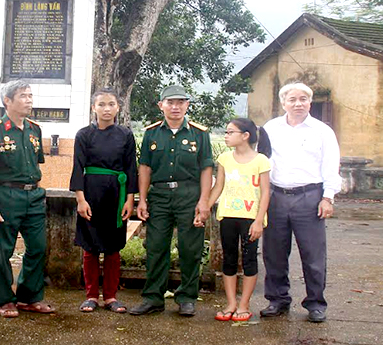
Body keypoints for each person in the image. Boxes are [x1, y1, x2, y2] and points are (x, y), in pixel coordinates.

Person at [129, 85, 214, 317]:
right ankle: (153, 298)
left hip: (189, 195)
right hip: (159, 196)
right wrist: (142, 199)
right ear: (161, 105)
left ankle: (187, 297)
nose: (175, 107)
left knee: (190, 248)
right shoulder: (152, 133)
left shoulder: (199, 133)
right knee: (156, 248)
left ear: (187, 105)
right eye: (170, 102)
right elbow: (144, 167)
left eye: (180, 102)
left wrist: (204, 201)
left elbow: (207, 168)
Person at [260, 82, 341, 323]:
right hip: (276, 196)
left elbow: (331, 164)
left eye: (303, 99)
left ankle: (315, 303)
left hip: (310, 197)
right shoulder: (271, 128)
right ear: (283, 102)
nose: (298, 103)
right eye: (292, 99)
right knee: (273, 253)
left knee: (313, 254)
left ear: (309, 102)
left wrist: (328, 197)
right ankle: (277, 299)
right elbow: (261, 161)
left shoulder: (322, 131)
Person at [0, 80, 54, 318]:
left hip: (33, 195)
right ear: (7, 101)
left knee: (38, 248)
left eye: (30, 96)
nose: (29, 100)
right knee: (3, 251)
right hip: (5, 196)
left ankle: (29, 297)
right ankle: (4, 300)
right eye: (23, 96)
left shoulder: (34, 129)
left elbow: (35, 163)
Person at [69, 88, 139, 313]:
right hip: (91, 193)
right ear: (94, 108)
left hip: (116, 195)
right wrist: (81, 200)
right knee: (90, 247)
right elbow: (78, 168)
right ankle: (91, 295)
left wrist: (130, 200)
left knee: (113, 248)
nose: (106, 109)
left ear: (118, 107)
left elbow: (131, 168)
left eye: (111, 104)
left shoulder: (125, 135)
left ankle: (110, 296)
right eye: (101, 104)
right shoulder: (84, 135)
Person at [207, 118, 271, 322]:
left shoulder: (261, 160)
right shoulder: (225, 158)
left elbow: (266, 192)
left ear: (245, 136)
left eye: (230, 132)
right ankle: (231, 303)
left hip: (250, 218)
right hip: (228, 216)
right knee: (229, 258)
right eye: (225, 132)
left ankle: (244, 304)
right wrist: (204, 207)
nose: (226, 136)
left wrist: (259, 220)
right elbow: (218, 186)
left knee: (250, 259)